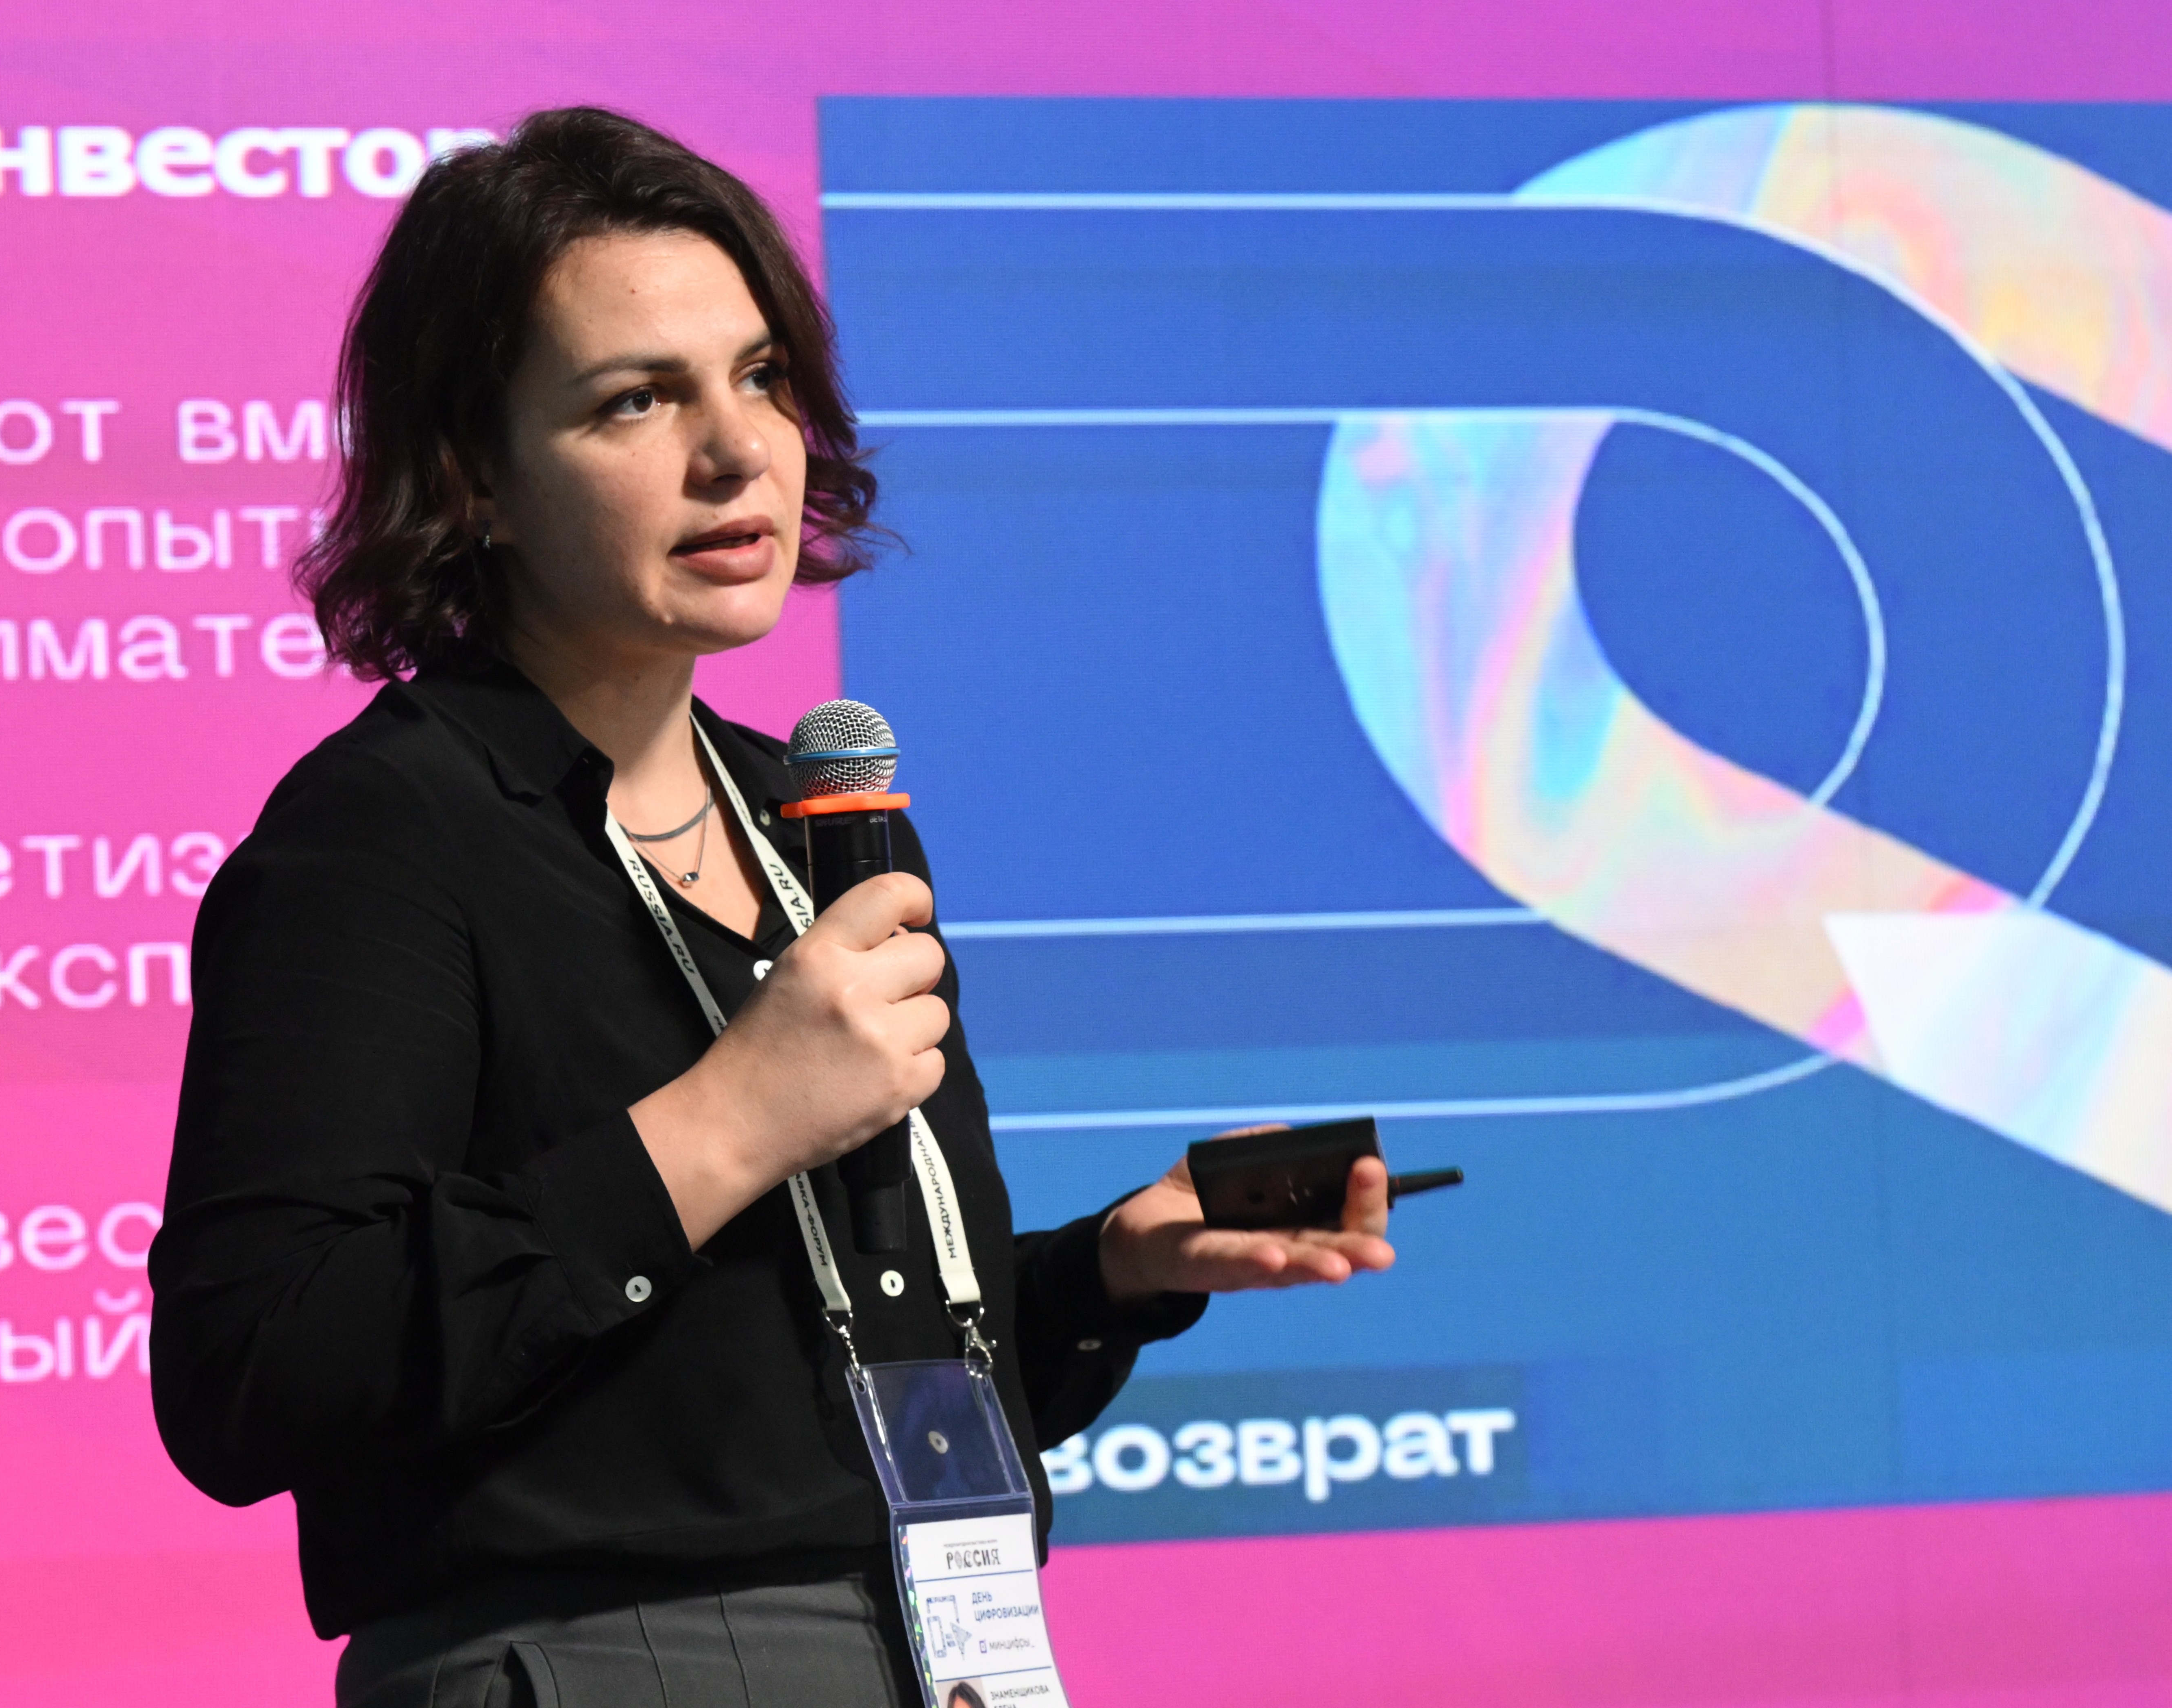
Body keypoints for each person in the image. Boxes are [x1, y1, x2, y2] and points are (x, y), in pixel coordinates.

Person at [147, 106, 1397, 1708]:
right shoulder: (389, 832)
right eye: (636, 398)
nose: (737, 449)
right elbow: (255, 1369)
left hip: (936, 1644)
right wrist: (726, 1121)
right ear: (474, 476)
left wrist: (1113, 1272)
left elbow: (768, 1398)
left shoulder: (818, 821)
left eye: (757, 376)